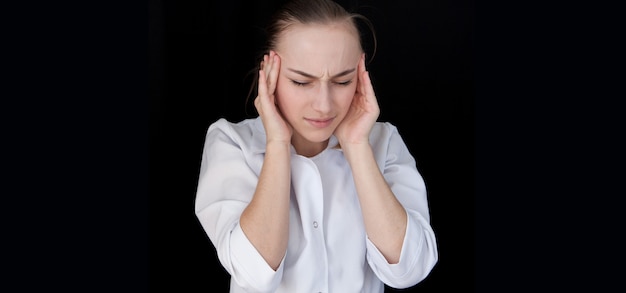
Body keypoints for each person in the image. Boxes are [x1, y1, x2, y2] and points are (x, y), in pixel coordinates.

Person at [194, 0, 438, 291]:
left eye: (343, 81)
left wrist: (358, 145)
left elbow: (409, 269)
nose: (324, 105)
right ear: (269, 75)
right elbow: (255, 274)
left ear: (360, 77)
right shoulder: (231, 144)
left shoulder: (384, 143)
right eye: (300, 82)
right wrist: (277, 142)